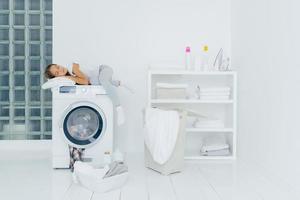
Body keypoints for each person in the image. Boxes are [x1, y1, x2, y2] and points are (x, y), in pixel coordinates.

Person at [44, 62, 125, 125]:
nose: (60, 69)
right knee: (102, 83)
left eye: (58, 67)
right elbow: (85, 82)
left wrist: (65, 76)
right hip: (99, 79)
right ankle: (120, 83)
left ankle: (119, 108)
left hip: (103, 69)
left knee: (102, 81)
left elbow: (85, 81)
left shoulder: (73, 67)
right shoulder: (70, 80)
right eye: (57, 73)